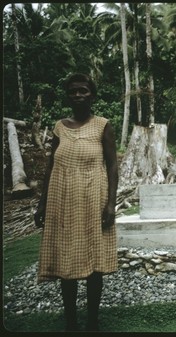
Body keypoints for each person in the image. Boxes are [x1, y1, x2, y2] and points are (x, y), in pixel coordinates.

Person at [34, 73, 118, 331]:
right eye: (73, 91)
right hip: (63, 201)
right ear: (68, 96)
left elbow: (113, 166)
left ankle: (92, 321)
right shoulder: (59, 127)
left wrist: (111, 204)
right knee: (65, 258)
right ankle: (71, 322)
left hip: (94, 199)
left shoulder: (103, 125)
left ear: (92, 95)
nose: (79, 95)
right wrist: (42, 204)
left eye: (83, 91)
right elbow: (51, 166)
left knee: (94, 262)